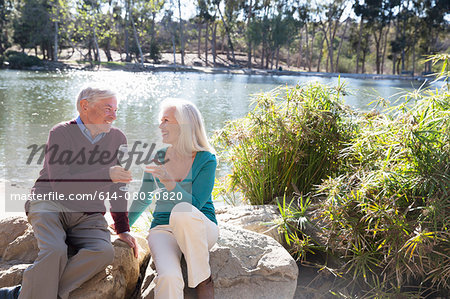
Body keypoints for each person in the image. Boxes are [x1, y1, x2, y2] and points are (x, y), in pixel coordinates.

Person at [0, 86, 138, 299]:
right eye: (108, 108)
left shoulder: (118, 138)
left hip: (88, 214)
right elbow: (61, 186)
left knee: (103, 252)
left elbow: (119, 186)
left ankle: (22, 293)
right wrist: (107, 174)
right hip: (49, 203)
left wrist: (122, 228)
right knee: (55, 251)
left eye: (116, 110)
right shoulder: (61, 132)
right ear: (85, 106)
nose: (114, 115)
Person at [128, 98, 219, 299]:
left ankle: (203, 280)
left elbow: (194, 205)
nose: (160, 125)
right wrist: (122, 227)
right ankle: (201, 278)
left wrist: (169, 182)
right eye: (161, 120)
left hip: (199, 228)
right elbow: (143, 197)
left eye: (166, 120)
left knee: (182, 213)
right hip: (164, 230)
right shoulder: (158, 157)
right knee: (169, 277)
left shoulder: (206, 159)